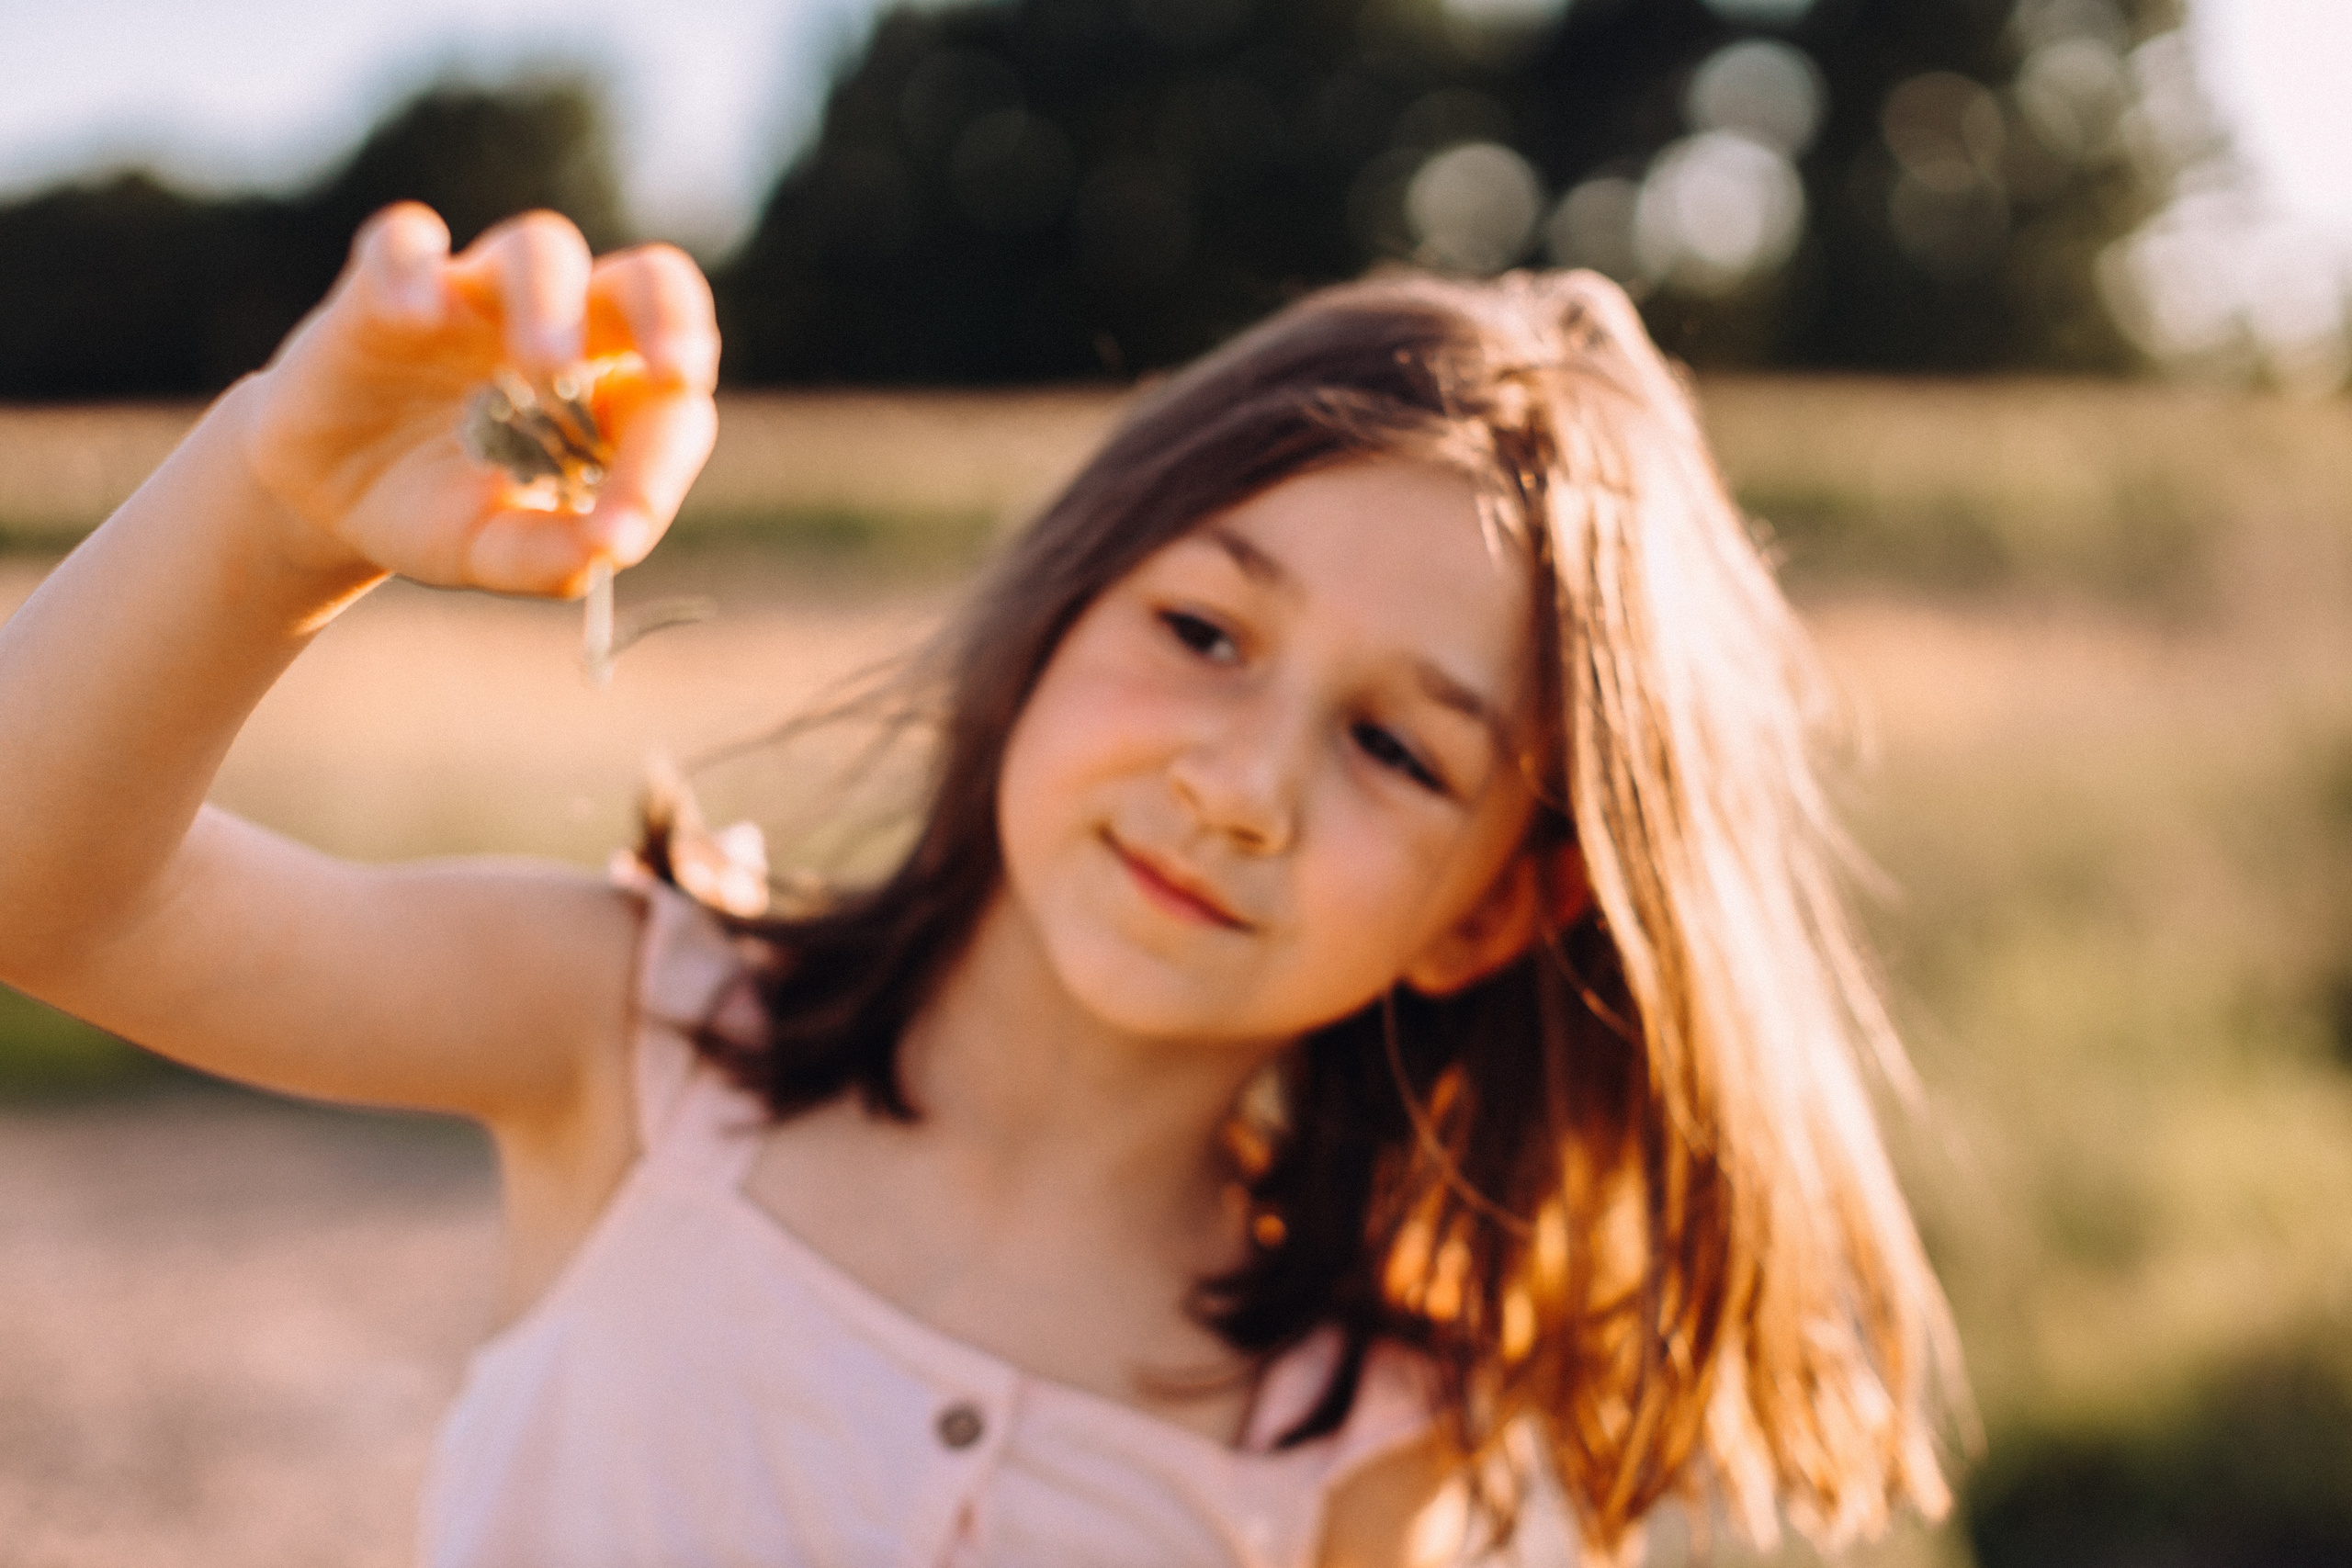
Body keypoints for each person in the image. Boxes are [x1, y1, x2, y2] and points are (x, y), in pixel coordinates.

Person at [0, 202, 1960, 1566]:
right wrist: (271, 509)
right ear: (1055, 609)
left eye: (1394, 747)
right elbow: (49, 890)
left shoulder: (1364, 1430)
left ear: (1489, 906)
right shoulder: (636, 1025)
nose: (1239, 782)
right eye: (1203, 628)